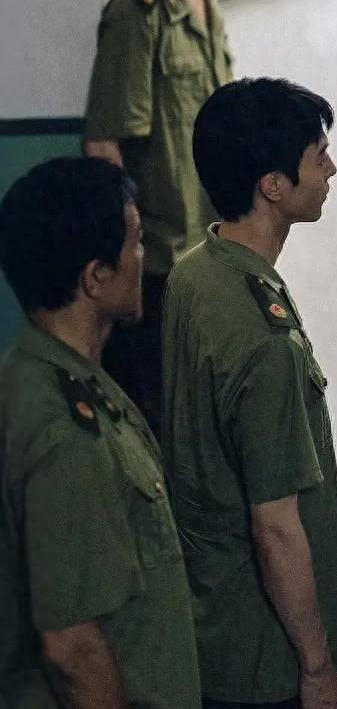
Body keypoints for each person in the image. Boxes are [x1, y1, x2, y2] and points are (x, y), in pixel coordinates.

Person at [161, 79, 337, 709]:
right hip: (261, 655)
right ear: (273, 185)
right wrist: (318, 669)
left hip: (206, 615)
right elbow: (276, 526)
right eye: (318, 157)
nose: (332, 170)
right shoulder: (264, 340)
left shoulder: (197, 269)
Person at [0, 157, 200, 709]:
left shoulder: (63, 380)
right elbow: (73, 650)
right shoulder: (63, 426)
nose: (144, 258)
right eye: (136, 243)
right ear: (95, 277)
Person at [84, 0, 235, 434]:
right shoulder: (137, 12)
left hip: (205, 241)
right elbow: (105, 145)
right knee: (158, 417)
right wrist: (127, 260)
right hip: (159, 259)